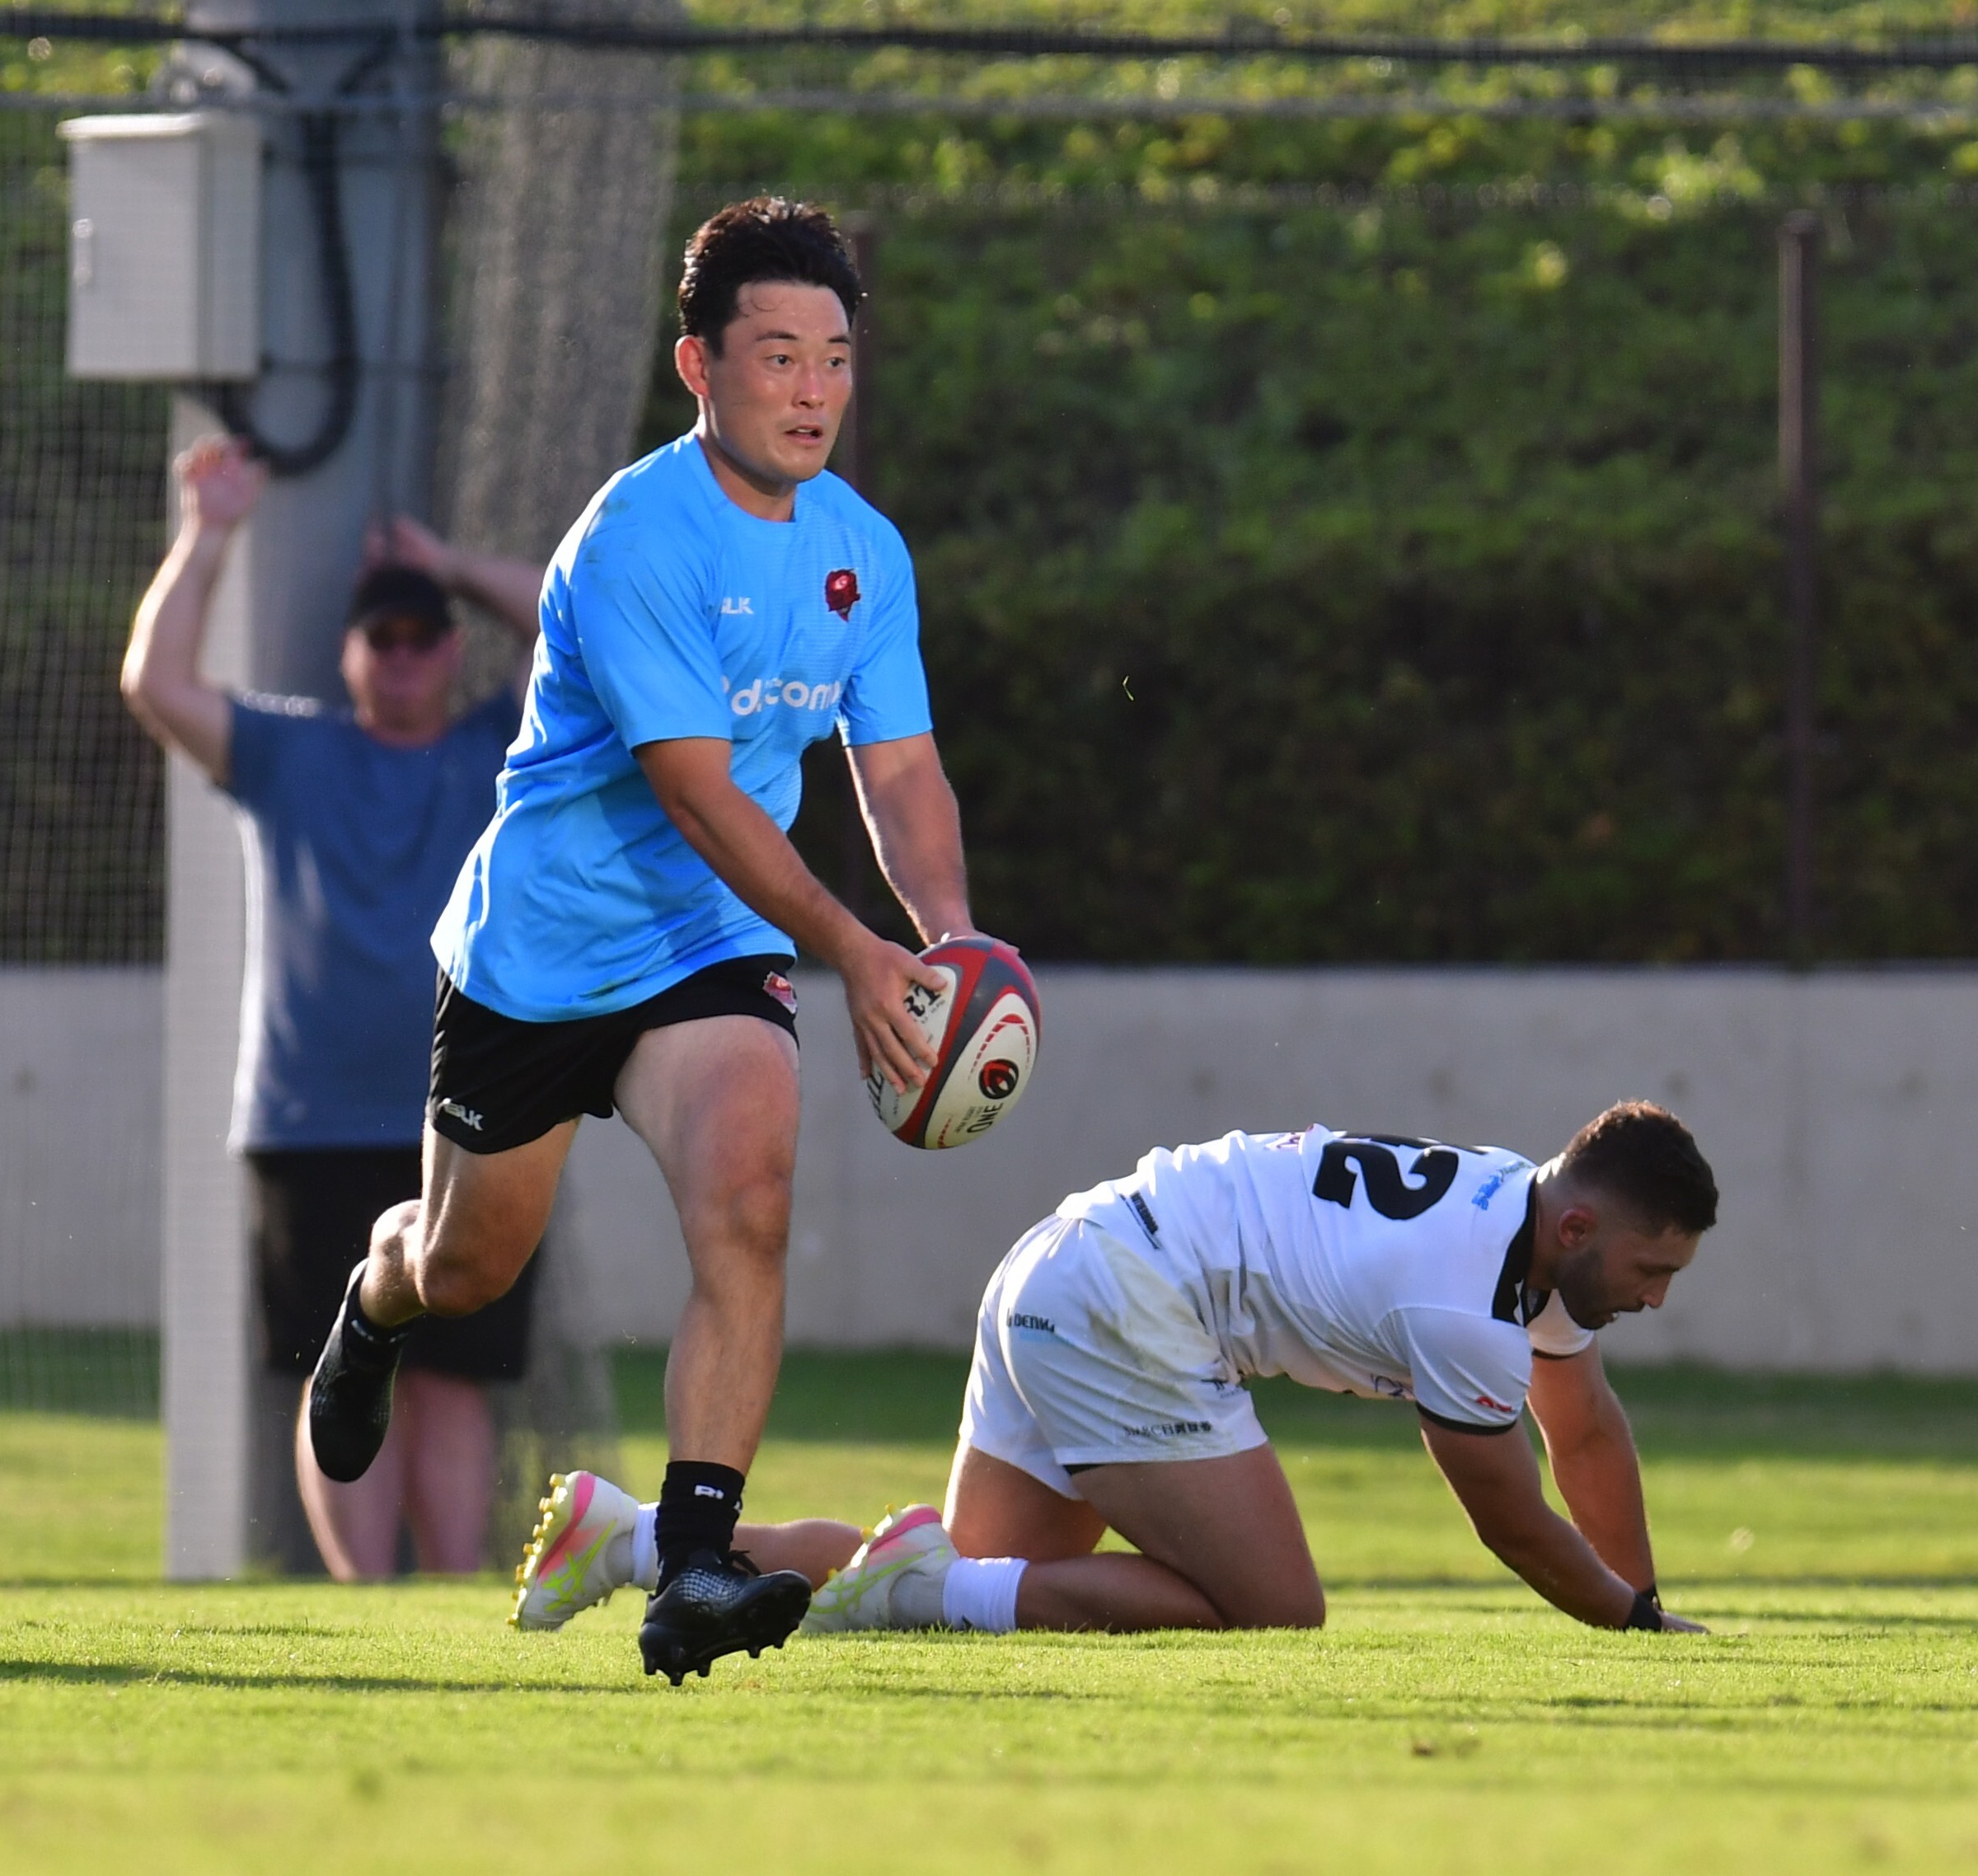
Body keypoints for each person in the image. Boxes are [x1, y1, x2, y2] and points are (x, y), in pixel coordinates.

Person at [301, 196, 991, 1683]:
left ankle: (694, 1564)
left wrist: (950, 945)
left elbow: (903, 774)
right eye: (776, 357)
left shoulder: (863, 552)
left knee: (749, 1193)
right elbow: (690, 789)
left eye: (833, 360)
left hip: (715, 940)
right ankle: (373, 1297)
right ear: (698, 365)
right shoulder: (632, 538)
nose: (811, 390)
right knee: (468, 1268)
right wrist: (856, 953)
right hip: (541, 952)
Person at [510, 1102, 1718, 1647]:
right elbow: (1515, 1521)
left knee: (985, 1589)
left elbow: (1588, 1432)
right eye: (1651, 1266)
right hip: (1127, 1304)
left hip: (1069, 1259)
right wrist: (1638, 1623)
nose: (1657, 1296)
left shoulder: (1521, 1220)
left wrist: (1646, 1597)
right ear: (1578, 1230)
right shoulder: (1466, 1306)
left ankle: (632, 1544)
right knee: (1274, 1608)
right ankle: (919, 1588)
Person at [120, 435, 546, 1578]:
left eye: (423, 637)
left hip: (470, 1115)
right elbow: (156, 683)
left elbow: (572, 620)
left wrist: (446, 564)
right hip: (309, 1120)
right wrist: (208, 535)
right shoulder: (292, 755)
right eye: (383, 637)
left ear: (453, 651)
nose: (404, 658)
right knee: (340, 1357)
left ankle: (453, 1596)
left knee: (456, 1376)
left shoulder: (498, 753)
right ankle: (367, 1603)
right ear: (351, 654)